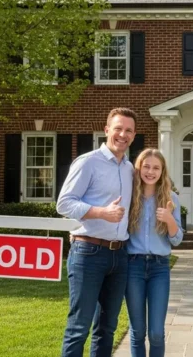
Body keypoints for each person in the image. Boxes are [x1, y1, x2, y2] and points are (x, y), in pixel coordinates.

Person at [56, 107, 137, 357]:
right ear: (106, 131)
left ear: (134, 135)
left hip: (119, 255)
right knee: (79, 327)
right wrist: (101, 212)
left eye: (129, 130)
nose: (123, 134)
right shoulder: (88, 162)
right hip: (88, 252)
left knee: (107, 328)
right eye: (118, 129)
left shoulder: (129, 168)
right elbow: (64, 203)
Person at [124, 148, 184, 357]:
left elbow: (176, 239)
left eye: (156, 167)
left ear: (162, 171)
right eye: (146, 166)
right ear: (139, 168)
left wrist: (169, 220)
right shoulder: (129, 196)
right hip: (133, 266)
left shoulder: (171, 198)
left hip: (160, 268)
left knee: (156, 333)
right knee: (137, 331)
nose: (151, 171)